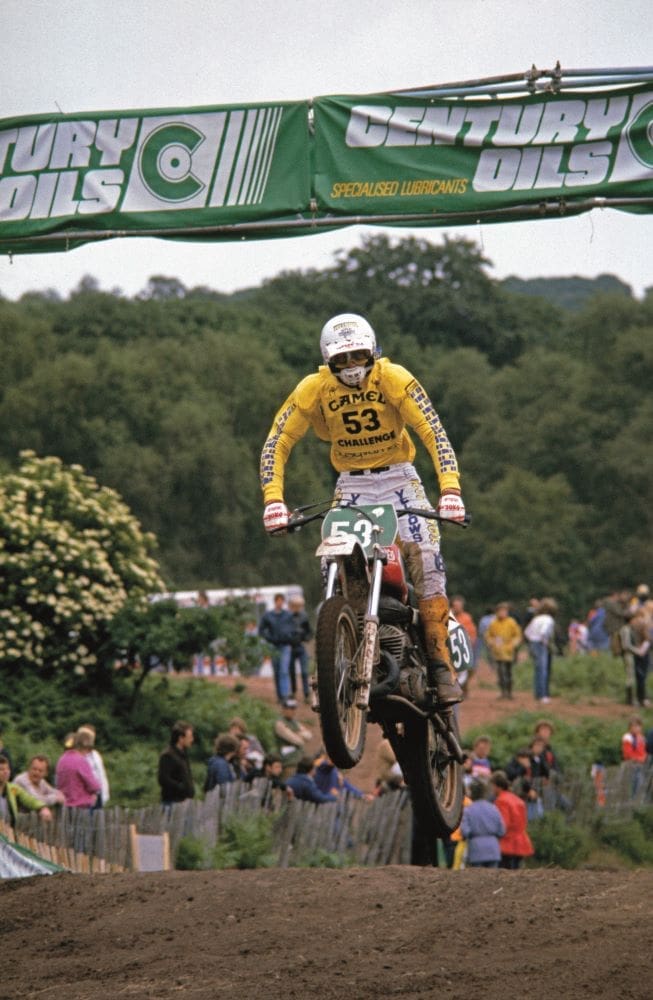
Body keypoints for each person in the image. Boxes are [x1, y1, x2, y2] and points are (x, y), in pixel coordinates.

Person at [260, 312, 466, 707]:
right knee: (332, 564)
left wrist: (450, 490)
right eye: (342, 359)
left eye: (358, 355)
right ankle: (337, 659)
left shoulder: (394, 378)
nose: (352, 365)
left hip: (400, 480)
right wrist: (273, 499)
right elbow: (277, 440)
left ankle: (440, 664)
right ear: (328, 361)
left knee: (427, 559)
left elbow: (432, 431)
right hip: (352, 485)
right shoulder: (313, 388)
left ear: (373, 352)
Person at [490, 770, 534, 870]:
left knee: (504, 872)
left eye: (492, 786)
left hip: (507, 843)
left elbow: (503, 824)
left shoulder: (501, 800)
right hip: (521, 842)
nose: (492, 789)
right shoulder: (517, 799)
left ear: (498, 786)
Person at [258, 593, 295, 703]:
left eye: (281, 601)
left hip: (285, 645)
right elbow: (261, 630)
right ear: (275, 602)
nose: (280, 603)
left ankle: (285, 695)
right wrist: (269, 638)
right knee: (277, 670)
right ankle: (280, 695)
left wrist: (290, 637)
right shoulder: (268, 616)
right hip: (273, 646)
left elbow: (293, 629)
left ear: (283, 602)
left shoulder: (288, 615)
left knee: (284, 670)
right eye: (278, 601)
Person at [461, 779, 506, 868]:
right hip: (493, 849)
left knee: (478, 876)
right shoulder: (494, 808)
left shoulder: (468, 810)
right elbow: (502, 830)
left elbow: (465, 831)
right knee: (493, 876)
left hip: (476, 850)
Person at [0, 755, 53, 828]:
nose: (6, 772)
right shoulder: (20, 780)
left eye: (8, 769)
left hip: (8, 828)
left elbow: (28, 799)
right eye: (1, 769)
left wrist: (42, 808)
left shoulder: (12, 789)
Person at [484, 602, 523, 699]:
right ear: (497, 612)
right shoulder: (493, 623)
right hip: (498, 652)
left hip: (509, 652)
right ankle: (503, 692)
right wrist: (491, 642)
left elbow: (517, 635)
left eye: (504, 611)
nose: (502, 613)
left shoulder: (511, 622)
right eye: (500, 611)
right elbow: (488, 635)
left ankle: (509, 692)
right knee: (501, 672)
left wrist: (514, 643)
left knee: (508, 672)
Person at [55, 729, 102, 809]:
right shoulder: (81, 760)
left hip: (64, 805)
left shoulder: (61, 759)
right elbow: (93, 785)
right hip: (81, 805)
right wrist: (97, 789)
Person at [524, 597, 557, 703]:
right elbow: (544, 632)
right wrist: (545, 641)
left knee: (538, 669)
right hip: (541, 644)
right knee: (543, 669)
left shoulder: (536, 618)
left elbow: (527, 632)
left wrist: (532, 640)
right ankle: (543, 695)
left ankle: (537, 694)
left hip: (533, 643)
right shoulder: (549, 619)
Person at [157, 720, 195, 807]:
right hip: (172, 802)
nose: (192, 740)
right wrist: (181, 787)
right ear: (181, 738)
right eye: (190, 737)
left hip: (184, 802)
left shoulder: (183, 755)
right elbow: (163, 779)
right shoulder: (168, 755)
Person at [273, 698, 313, 774]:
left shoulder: (295, 722)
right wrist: (299, 734)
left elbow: (309, 736)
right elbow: (298, 741)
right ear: (284, 709)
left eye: (294, 708)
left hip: (299, 760)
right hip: (288, 762)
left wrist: (296, 733)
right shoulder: (280, 723)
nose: (293, 711)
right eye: (290, 708)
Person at [76, 724, 110, 807]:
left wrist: (104, 794)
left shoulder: (95, 755)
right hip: (83, 796)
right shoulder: (76, 755)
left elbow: (102, 775)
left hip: (98, 794)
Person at [288, 595, 313, 703]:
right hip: (290, 648)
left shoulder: (304, 617)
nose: (297, 607)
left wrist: (305, 638)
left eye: (299, 606)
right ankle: (293, 692)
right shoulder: (287, 617)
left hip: (301, 647)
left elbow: (310, 632)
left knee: (304, 672)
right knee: (291, 672)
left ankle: (306, 694)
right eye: (295, 605)